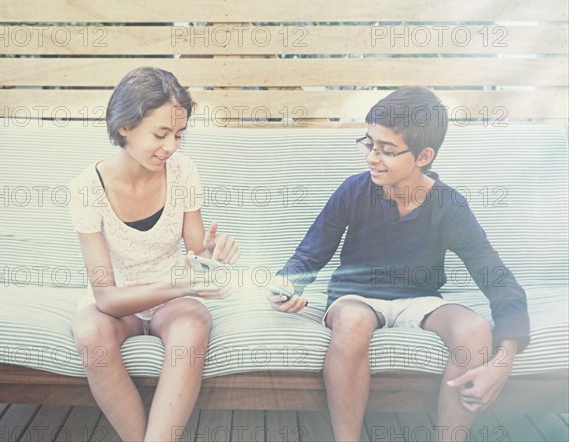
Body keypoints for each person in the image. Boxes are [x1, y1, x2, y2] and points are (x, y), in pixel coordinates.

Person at [268, 87, 530, 442]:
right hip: (356, 298)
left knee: (474, 329)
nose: (372, 157)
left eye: (387, 150)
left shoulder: (449, 206)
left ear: (424, 155)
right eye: (369, 143)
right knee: (352, 320)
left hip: (419, 300)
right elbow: (309, 255)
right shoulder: (354, 190)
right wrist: (286, 287)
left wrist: (504, 359)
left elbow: (498, 279)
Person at [69, 67, 240, 441]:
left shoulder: (183, 171)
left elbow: (197, 252)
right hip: (123, 298)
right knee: (90, 332)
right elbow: (107, 299)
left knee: (193, 323)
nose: (171, 147)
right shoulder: (86, 188)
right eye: (161, 134)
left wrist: (211, 254)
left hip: (171, 301)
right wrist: (179, 285)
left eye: (179, 135)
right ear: (124, 126)